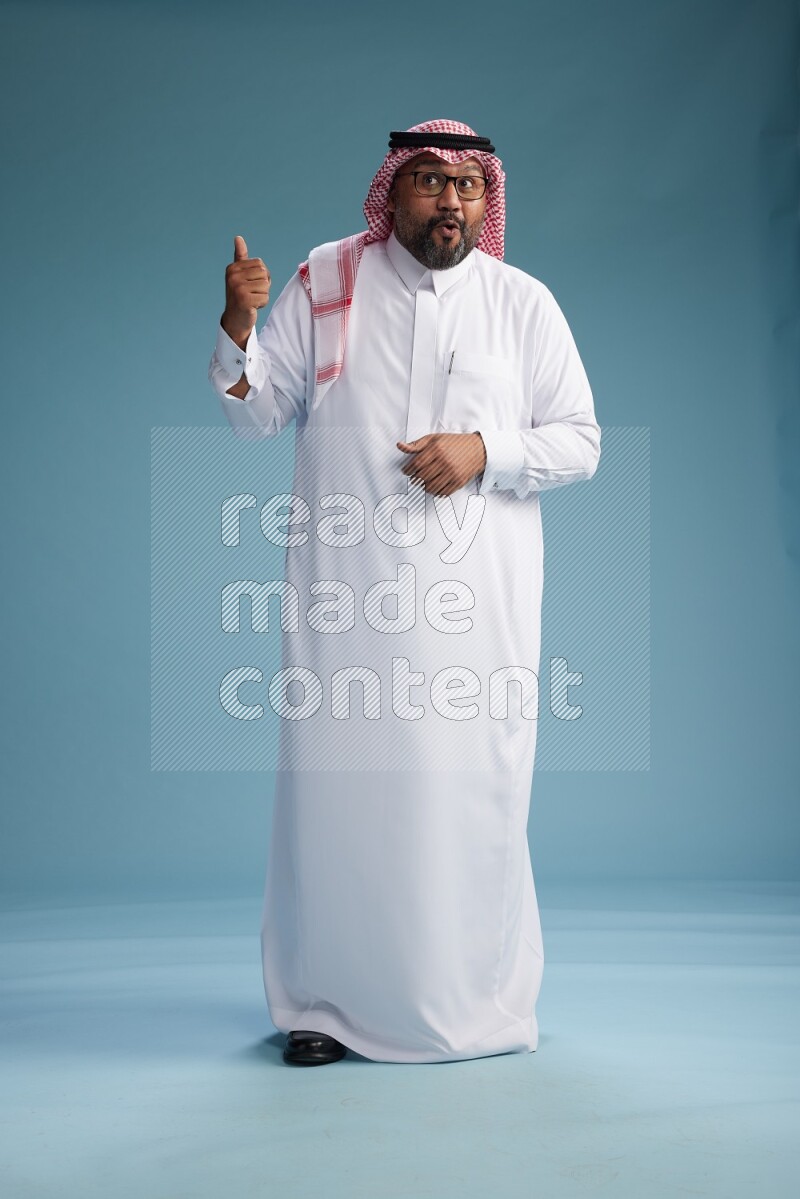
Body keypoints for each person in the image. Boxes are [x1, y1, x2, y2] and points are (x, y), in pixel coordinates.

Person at [208, 119, 601, 1067]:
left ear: (487, 199)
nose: (450, 202)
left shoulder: (522, 303)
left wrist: (485, 452)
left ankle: (475, 1002)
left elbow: (580, 441)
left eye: (467, 186)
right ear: (394, 191)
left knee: (467, 798)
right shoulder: (328, 277)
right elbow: (258, 414)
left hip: (478, 613)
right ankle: (324, 1006)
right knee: (340, 801)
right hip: (348, 605)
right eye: (429, 182)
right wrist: (237, 328)